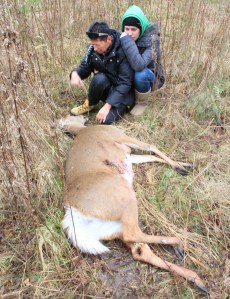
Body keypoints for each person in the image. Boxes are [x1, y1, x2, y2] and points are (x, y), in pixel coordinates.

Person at [70, 21, 134, 124]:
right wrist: (75, 74)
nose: (94, 48)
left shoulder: (123, 50)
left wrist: (108, 105)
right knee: (99, 78)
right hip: (107, 85)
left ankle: (117, 106)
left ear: (109, 39)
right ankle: (90, 104)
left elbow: (125, 83)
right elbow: (85, 66)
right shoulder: (93, 49)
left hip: (123, 94)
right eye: (93, 44)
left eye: (97, 45)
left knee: (105, 121)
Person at [120, 5, 165, 116]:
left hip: (151, 77)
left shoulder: (153, 40)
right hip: (131, 75)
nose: (130, 33)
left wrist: (127, 41)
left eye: (134, 29)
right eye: (127, 29)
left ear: (141, 28)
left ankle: (141, 102)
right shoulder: (123, 36)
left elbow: (139, 65)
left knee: (140, 74)